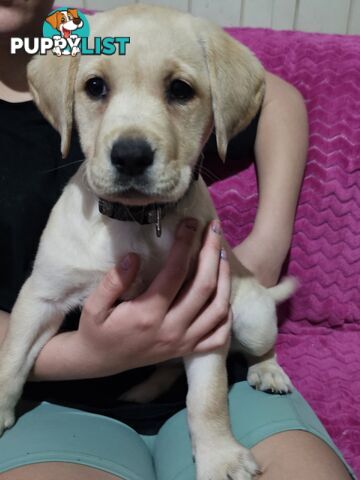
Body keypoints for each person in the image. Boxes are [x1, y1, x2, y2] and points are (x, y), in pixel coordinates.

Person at [0, 1, 353, 479]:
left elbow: (276, 97)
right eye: (97, 88)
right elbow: (40, 297)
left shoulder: (85, 37)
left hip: (215, 385)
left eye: (179, 89)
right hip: (61, 403)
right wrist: (88, 357)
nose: (131, 143)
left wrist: (267, 246)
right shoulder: (71, 53)